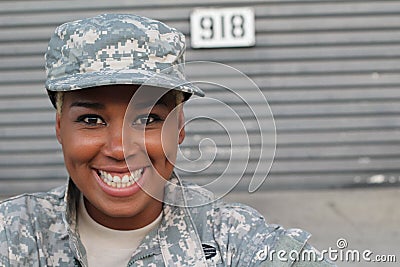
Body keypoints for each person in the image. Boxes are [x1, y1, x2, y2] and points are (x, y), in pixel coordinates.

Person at [0, 14, 335, 266]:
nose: (120, 150)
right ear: (60, 128)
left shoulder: (231, 239)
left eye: (148, 119)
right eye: (92, 120)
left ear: (179, 130)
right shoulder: (14, 234)